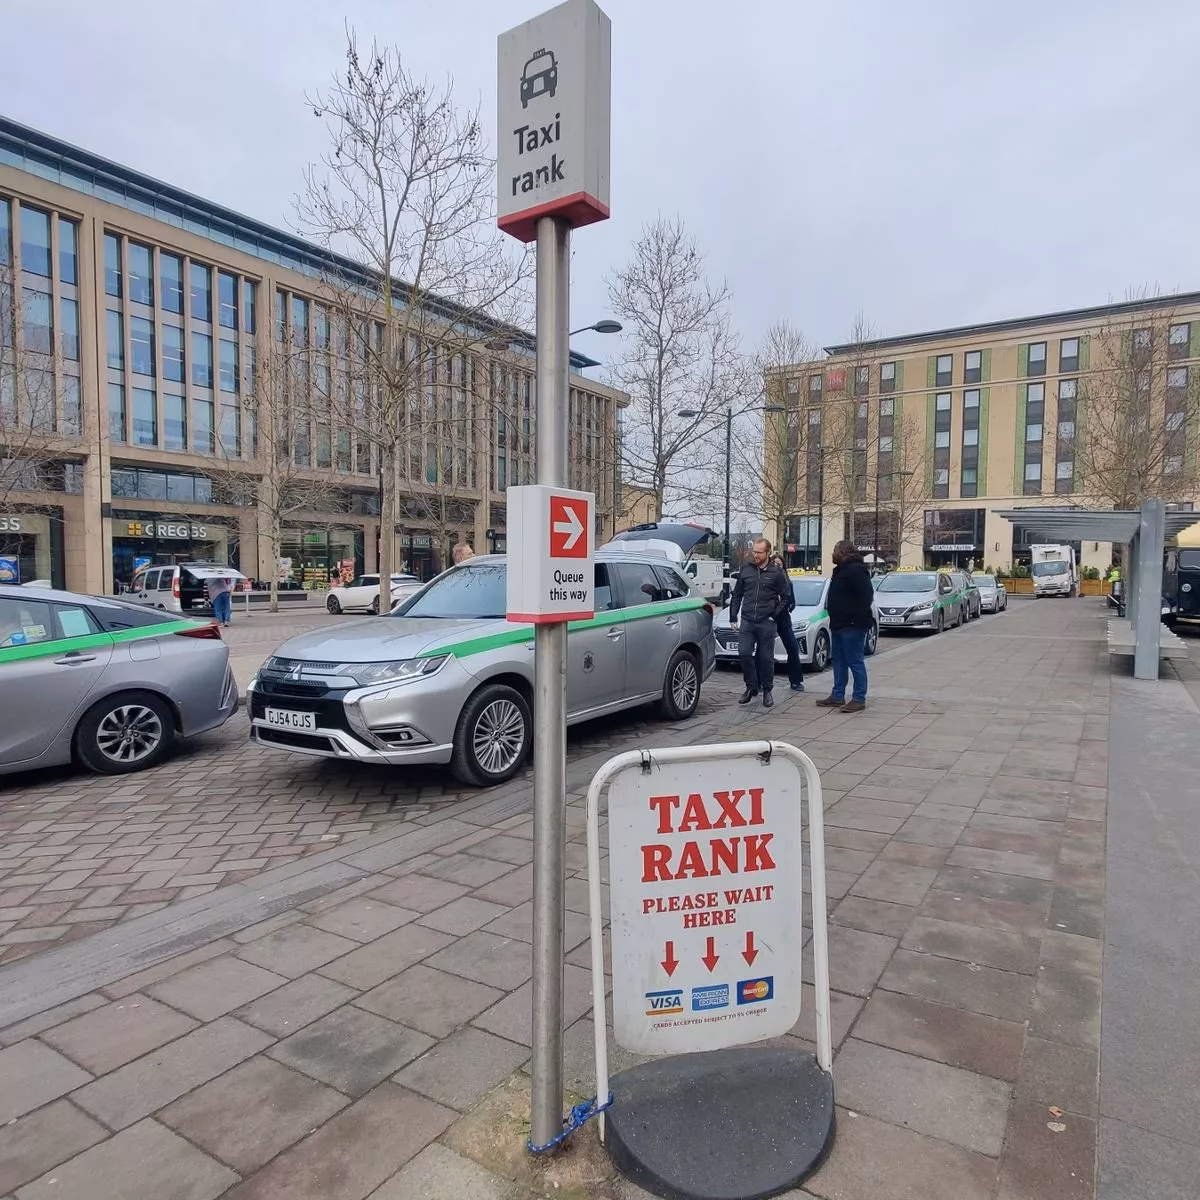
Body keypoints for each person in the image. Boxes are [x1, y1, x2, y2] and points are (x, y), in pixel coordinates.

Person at [728, 538, 790, 708]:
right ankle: (751, 687)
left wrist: (774, 616)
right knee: (744, 653)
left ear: (767, 553)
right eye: (754, 551)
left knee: (766, 658)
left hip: (766, 621)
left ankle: (767, 690)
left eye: (759, 552)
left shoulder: (776, 573)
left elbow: (786, 597)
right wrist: (733, 617)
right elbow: (737, 595)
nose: (755, 555)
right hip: (747, 620)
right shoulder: (746, 570)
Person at [816, 539, 873, 713]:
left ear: (843, 552)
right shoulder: (841, 570)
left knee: (855, 662)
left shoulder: (856, 570)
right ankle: (837, 695)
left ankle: (859, 698)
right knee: (839, 661)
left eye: (834, 550)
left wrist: (854, 618)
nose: (832, 554)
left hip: (852, 625)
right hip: (839, 624)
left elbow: (867, 596)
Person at [770, 553, 805, 692]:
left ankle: (796, 681)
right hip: (769, 619)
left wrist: (790, 606)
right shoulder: (767, 581)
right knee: (764, 651)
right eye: (774, 564)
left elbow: (792, 600)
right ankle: (761, 682)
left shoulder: (788, 582)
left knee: (792, 648)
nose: (777, 567)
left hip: (784, 620)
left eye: (780, 565)